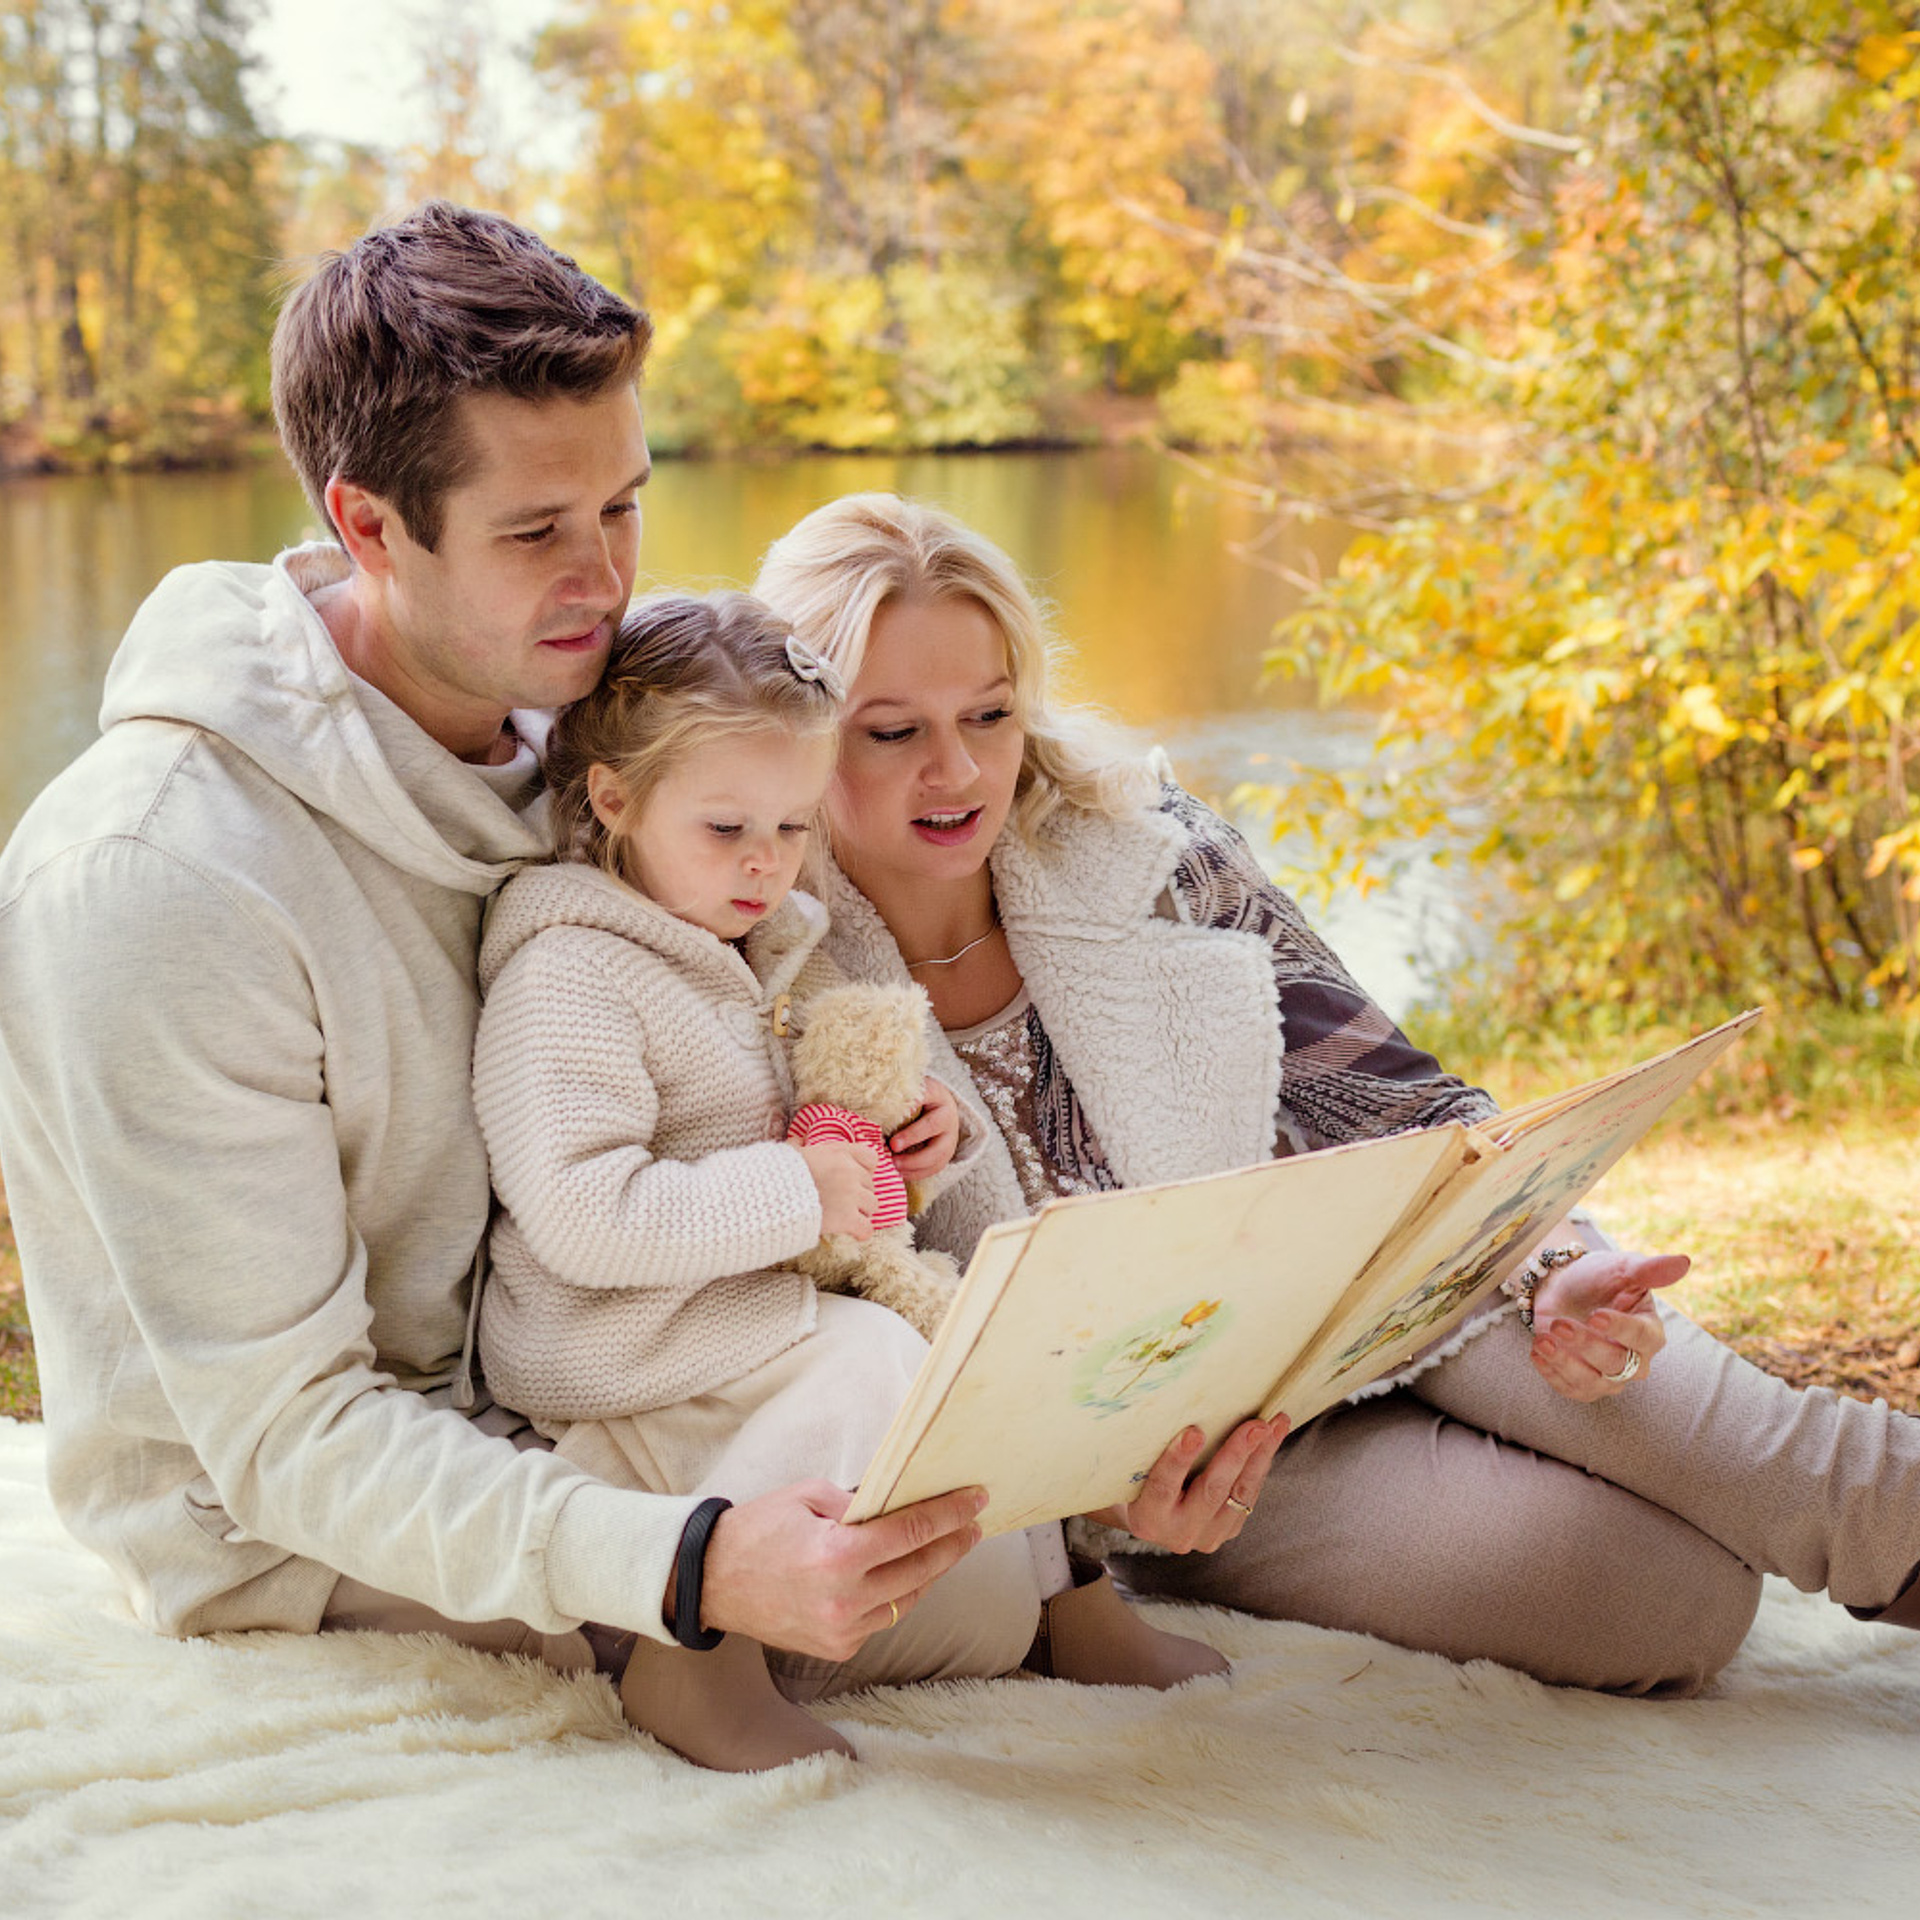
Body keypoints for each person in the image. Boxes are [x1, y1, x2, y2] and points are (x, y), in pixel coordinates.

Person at [0, 208, 991, 1735]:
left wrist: (860, 1143)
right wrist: (691, 1566)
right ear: (370, 523)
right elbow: (288, 1438)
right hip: (308, 1540)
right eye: (537, 532)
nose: (603, 578)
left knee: (1015, 1531)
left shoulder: (580, 731)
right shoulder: (155, 879)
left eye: (625, 507)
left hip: (598, 1393)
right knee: (968, 1603)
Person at [752, 491, 1920, 1697]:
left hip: (1395, 1292)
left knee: (1782, 1453)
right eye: (890, 732)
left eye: (989, 714)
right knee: (1674, 1609)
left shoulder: (1150, 849)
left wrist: (1556, 1259)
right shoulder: (769, 971)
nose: (957, 770)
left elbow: (1405, 1102)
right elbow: (850, 1332)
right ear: (798, 732)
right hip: (1192, 1472)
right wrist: (1097, 1513)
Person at [472, 588, 1228, 1770]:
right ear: (613, 800)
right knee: (874, 1356)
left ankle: (1068, 1594)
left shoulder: (745, 946)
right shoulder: (572, 973)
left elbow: (806, 1140)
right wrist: (799, 1188)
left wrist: (899, 1155)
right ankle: (694, 1657)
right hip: (626, 1354)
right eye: (727, 831)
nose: (766, 865)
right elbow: (582, 1213)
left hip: (741, 1318)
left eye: (790, 829)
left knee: (967, 1340)